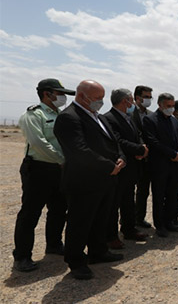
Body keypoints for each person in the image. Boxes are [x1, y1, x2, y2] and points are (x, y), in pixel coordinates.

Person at [54, 80, 125, 280]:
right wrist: (109, 166)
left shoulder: (98, 117)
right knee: (80, 222)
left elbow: (113, 142)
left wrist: (120, 158)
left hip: (105, 180)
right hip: (83, 182)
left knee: (100, 219)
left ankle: (98, 251)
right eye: (97, 99)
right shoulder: (68, 118)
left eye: (102, 98)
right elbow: (79, 151)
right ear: (81, 96)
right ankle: (76, 261)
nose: (100, 102)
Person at [12, 78, 74, 272]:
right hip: (39, 169)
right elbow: (39, 143)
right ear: (47, 94)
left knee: (58, 209)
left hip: (59, 170)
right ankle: (22, 256)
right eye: (60, 93)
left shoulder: (61, 115)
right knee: (30, 213)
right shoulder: (33, 115)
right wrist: (62, 159)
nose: (63, 98)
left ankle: (54, 244)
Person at [103, 89, 148, 250]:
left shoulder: (129, 117)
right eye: (131, 100)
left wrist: (141, 147)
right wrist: (138, 150)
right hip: (120, 167)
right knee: (114, 203)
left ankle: (129, 229)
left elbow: (138, 135)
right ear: (125, 101)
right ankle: (111, 236)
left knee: (128, 201)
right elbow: (117, 141)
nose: (133, 104)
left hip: (133, 167)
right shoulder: (108, 118)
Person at [142, 93, 178, 237]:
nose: (171, 109)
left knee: (172, 194)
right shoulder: (150, 120)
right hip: (159, 165)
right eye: (168, 106)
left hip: (174, 165)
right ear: (160, 105)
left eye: (172, 106)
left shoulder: (173, 121)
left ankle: (169, 221)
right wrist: (172, 154)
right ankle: (159, 225)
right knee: (159, 196)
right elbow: (153, 142)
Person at [131, 85, 153, 228]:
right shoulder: (129, 113)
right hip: (133, 157)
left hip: (147, 158)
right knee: (127, 192)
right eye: (146, 97)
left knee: (143, 190)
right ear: (137, 98)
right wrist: (137, 151)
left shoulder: (150, 114)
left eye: (150, 97)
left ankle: (139, 218)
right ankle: (127, 220)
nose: (148, 100)